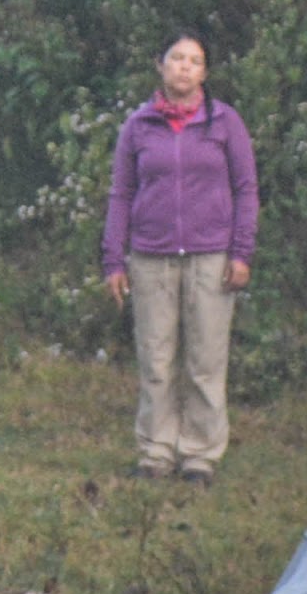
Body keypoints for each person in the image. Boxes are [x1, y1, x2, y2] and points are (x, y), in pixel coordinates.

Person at [103, 33, 258, 482]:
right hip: (150, 257)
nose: (185, 67)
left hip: (212, 257)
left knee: (206, 360)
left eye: (195, 61)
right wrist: (114, 260)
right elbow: (121, 193)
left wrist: (241, 251)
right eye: (177, 58)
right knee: (155, 359)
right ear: (161, 66)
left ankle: (200, 456)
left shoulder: (225, 122)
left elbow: (246, 189)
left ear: (204, 73)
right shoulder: (138, 126)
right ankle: (155, 453)